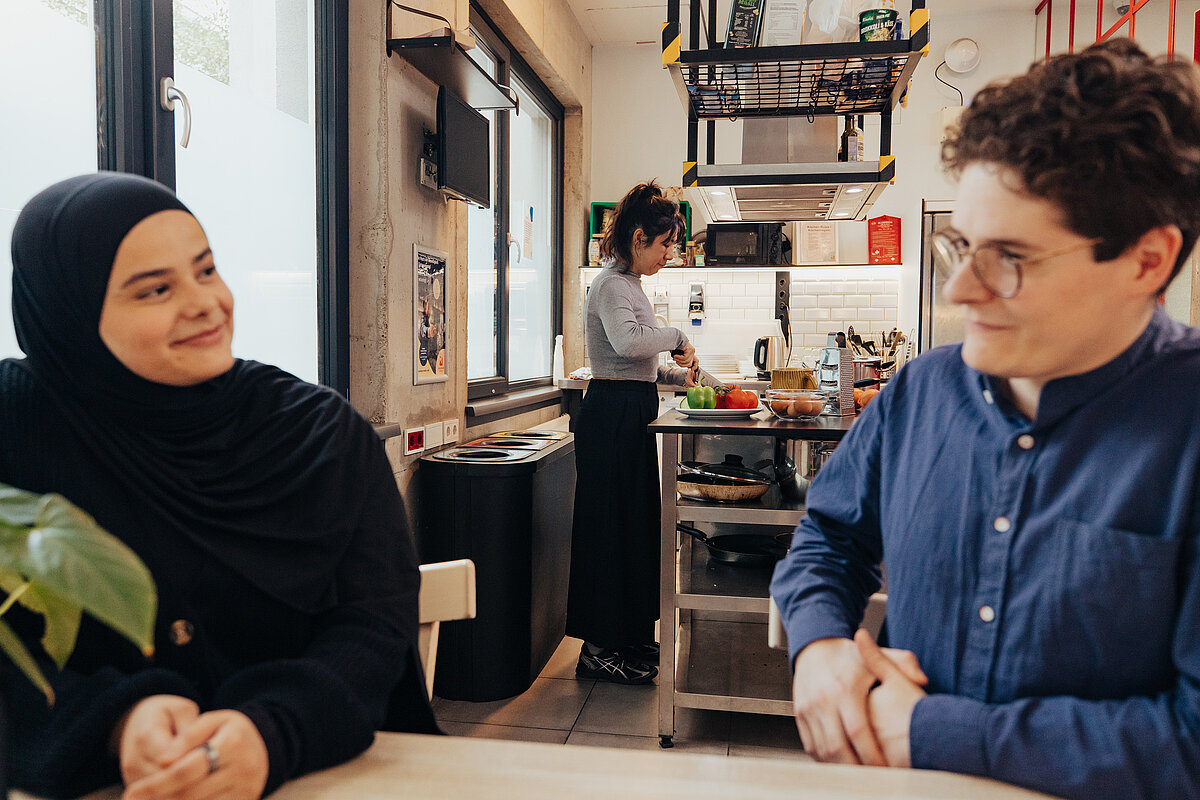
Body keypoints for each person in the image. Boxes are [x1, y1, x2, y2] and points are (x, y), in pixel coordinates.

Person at [770, 39, 1200, 800]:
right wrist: (822, 645)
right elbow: (830, 537)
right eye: (962, 246)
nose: (960, 290)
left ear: (1147, 261)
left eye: (1010, 257)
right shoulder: (922, 392)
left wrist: (932, 731)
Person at [0, 172, 439, 800]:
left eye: (206, 270)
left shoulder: (318, 433)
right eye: (156, 289)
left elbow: (374, 624)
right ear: (68, 311)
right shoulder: (18, 425)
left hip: (317, 774)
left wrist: (273, 731)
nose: (205, 303)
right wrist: (114, 722)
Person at [566, 182, 697, 684]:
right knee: (608, 529)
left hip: (629, 410)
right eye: (664, 244)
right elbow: (626, 343)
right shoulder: (609, 285)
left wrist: (677, 377)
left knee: (632, 528)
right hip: (611, 418)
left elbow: (636, 364)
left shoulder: (630, 284)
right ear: (638, 237)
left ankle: (628, 636)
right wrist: (677, 335)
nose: (669, 254)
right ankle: (598, 650)